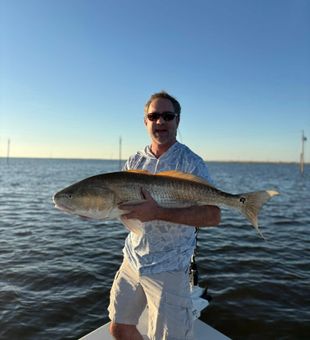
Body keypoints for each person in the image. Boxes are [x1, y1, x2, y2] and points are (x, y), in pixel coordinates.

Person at [108, 91, 221, 340]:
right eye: (154, 116)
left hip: (169, 266)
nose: (160, 122)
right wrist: (91, 211)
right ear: (146, 121)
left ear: (177, 121)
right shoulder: (134, 161)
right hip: (133, 260)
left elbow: (213, 216)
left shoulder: (191, 163)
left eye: (167, 116)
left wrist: (159, 212)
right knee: (119, 328)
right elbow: (122, 207)